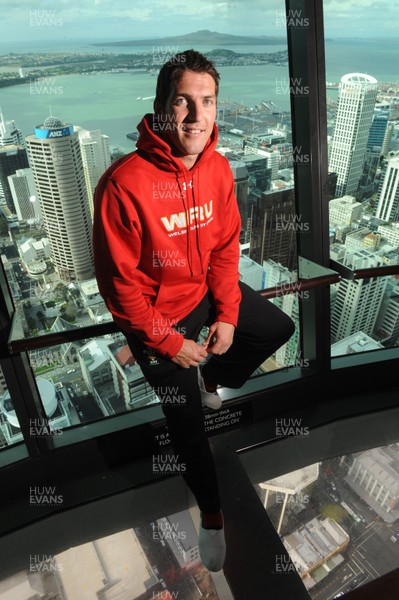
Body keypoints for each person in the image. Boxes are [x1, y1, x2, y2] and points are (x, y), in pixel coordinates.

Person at [92, 49, 295, 572]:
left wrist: (226, 314)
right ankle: (211, 515)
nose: (195, 116)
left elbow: (226, 250)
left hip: (203, 297)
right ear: (161, 107)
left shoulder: (219, 168)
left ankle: (211, 383)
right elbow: (121, 290)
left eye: (207, 102)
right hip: (155, 319)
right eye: (183, 101)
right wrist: (168, 342)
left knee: (274, 326)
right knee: (186, 430)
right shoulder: (124, 184)